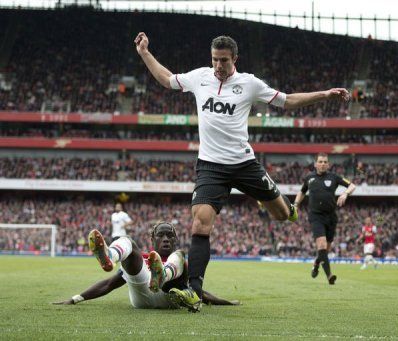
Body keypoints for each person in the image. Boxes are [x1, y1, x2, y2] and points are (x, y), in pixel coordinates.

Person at [134, 32, 350, 308]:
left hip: (244, 163)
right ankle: (194, 291)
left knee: (283, 215)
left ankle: (286, 205)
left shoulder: (249, 84)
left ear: (235, 58)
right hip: (211, 166)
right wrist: (144, 53)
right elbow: (166, 79)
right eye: (214, 59)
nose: (218, 65)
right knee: (200, 223)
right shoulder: (200, 77)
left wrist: (324, 94)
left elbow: (287, 100)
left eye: (223, 60)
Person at [53, 222, 239, 311]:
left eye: (169, 235)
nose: (165, 238)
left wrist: (227, 302)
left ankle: (162, 275)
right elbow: (109, 284)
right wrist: (76, 298)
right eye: (161, 235)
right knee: (127, 241)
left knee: (180, 256)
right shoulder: (141, 258)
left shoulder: (179, 258)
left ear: (175, 239)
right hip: (144, 288)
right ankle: (110, 255)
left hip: (169, 295)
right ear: (152, 239)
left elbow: (200, 292)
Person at [293, 153, 356, 284]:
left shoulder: (334, 177)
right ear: (315, 164)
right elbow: (302, 192)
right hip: (316, 216)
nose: (322, 164)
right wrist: (296, 204)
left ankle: (316, 264)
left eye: (325, 162)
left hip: (331, 217)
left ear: (328, 164)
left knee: (325, 251)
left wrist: (345, 194)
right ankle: (329, 276)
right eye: (320, 162)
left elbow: (352, 186)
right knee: (321, 245)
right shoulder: (309, 178)